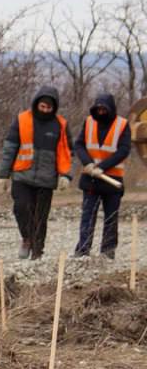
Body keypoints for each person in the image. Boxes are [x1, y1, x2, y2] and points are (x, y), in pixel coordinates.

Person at [0, 86, 72, 260]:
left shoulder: (60, 124)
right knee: (20, 208)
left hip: (46, 178)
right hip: (22, 174)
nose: (45, 110)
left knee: (41, 216)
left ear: (54, 108)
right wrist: (3, 174)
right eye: (42, 106)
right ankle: (27, 239)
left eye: (49, 108)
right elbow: (10, 147)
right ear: (36, 104)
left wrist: (65, 175)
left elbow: (66, 152)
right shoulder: (22, 119)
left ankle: (37, 251)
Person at [73, 93, 129, 259]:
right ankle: (83, 251)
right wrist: (88, 163)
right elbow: (79, 144)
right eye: (99, 108)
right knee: (87, 217)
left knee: (111, 218)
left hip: (112, 181)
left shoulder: (122, 125)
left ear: (111, 109)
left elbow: (123, 150)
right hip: (91, 180)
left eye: (105, 109)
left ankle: (107, 252)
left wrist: (102, 167)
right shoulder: (89, 122)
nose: (101, 111)